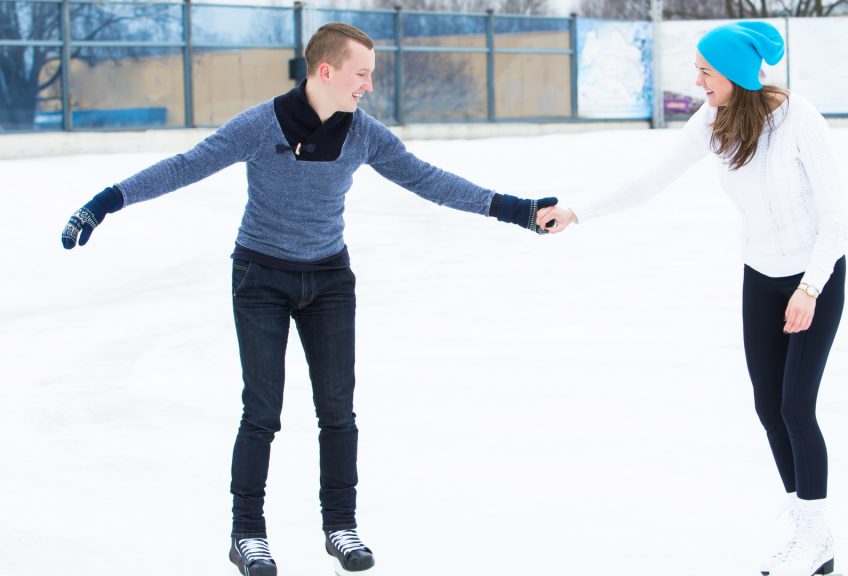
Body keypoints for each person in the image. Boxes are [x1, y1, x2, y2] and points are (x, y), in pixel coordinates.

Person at [60, 22, 557, 576]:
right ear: (327, 71)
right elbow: (186, 165)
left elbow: (428, 180)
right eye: (361, 73)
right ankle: (247, 533)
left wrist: (519, 210)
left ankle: (340, 525)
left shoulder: (363, 134)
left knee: (337, 410)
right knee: (262, 410)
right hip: (260, 278)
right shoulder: (259, 125)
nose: (369, 84)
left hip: (328, 281)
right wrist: (103, 202)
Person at [539, 21, 847, 576]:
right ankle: (812, 536)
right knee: (768, 407)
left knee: (796, 406)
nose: (698, 80)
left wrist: (809, 288)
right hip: (760, 276)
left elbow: (837, 219)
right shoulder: (713, 120)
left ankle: (813, 535)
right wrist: (576, 212)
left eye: (706, 70)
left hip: (814, 276)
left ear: (733, 74)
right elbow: (648, 182)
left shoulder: (800, 118)